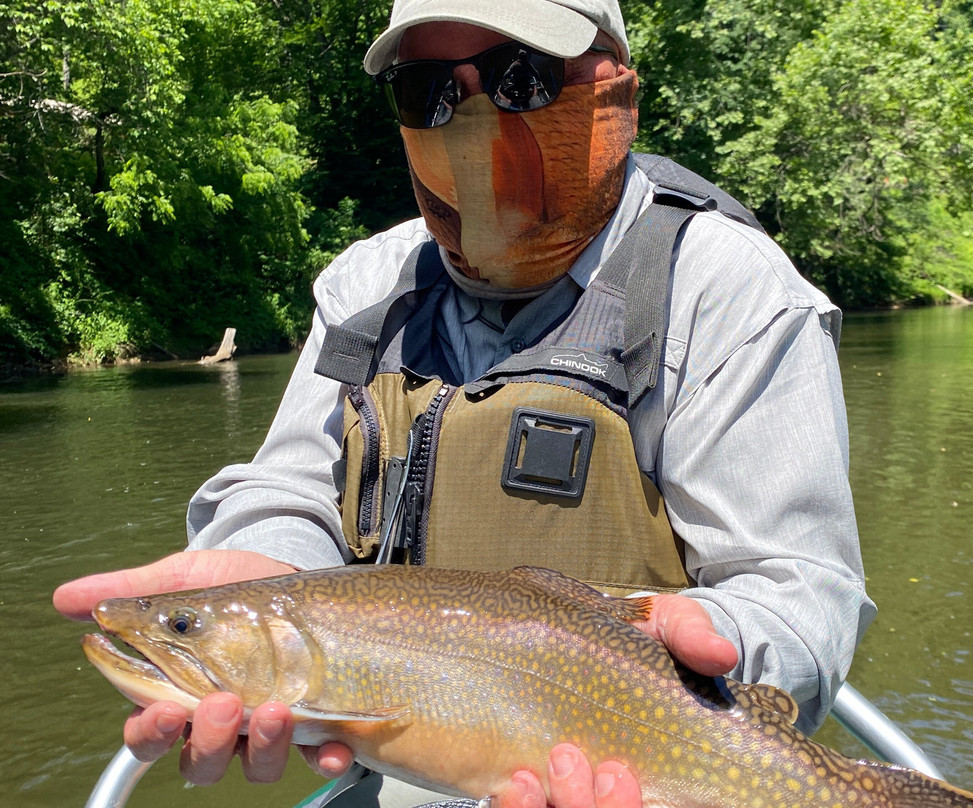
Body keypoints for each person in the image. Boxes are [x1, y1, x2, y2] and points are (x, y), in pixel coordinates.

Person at [54, 1, 876, 806]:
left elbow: (798, 597)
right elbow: (293, 487)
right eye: (429, 91)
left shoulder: (730, 292)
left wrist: (671, 659)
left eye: (523, 77)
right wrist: (270, 574)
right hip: (402, 773)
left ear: (614, 86)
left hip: (664, 771)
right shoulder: (367, 284)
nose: (471, 121)